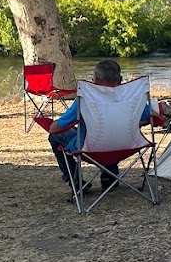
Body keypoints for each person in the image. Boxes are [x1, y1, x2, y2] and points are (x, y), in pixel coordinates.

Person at [48, 59, 149, 196]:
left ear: (94, 80)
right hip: (126, 145)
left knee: (55, 136)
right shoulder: (131, 99)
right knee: (113, 132)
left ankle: (75, 181)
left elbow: (55, 129)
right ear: (120, 80)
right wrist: (136, 123)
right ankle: (109, 177)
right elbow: (152, 117)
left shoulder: (85, 100)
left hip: (90, 148)